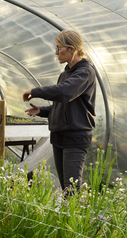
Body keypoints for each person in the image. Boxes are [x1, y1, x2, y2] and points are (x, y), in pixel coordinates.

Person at [23, 30, 96, 193]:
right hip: (60, 136)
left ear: (71, 49)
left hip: (75, 137)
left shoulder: (85, 72)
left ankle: (77, 217)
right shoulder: (65, 74)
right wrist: (41, 110)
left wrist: (35, 91)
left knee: (71, 189)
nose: (56, 53)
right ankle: (68, 217)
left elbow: (64, 92)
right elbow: (62, 105)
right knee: (66, 187)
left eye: (58, 48)